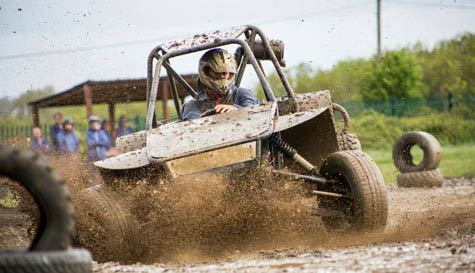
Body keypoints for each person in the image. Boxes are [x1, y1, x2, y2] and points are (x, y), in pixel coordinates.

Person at [181, 48, 259, 120]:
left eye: (224, 73)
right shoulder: (193, 105)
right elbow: (192, 121)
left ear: (231, 73)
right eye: (216, 73)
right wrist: (211, 116)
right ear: (206, 72)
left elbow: (254, 110)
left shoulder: (242, 94)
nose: (221, 77)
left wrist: (236, 109)